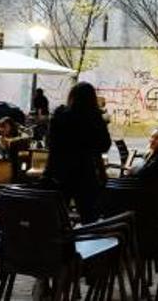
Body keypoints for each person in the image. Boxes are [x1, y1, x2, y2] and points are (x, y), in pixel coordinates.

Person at [46, 82, 112, 222]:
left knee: (57, 216)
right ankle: (87, 241)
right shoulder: (94, 117)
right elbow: (104, 145)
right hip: (85, 172)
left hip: (60, 171)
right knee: (89, 216)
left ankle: (60, 241)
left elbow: (50, 144)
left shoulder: (59, 116)